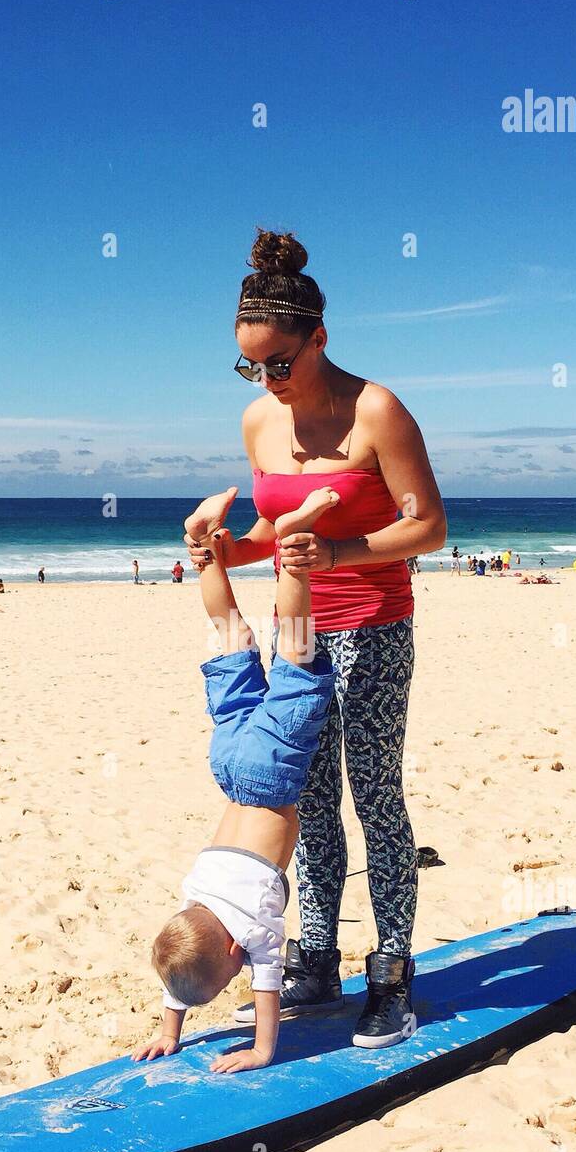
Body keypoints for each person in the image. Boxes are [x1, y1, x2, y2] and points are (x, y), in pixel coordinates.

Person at [181, 227, 446, 1046]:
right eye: (252, 366)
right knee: (311, 806)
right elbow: (268, 530)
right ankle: (319, 955)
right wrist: (223, 550)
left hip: (372, 625)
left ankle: (393, 971)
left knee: (374, 799)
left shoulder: (377, 410)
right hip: (300, 631)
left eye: (280, 362)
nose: (268, 379)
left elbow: (429, 527)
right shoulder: (260, 419)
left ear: (318, 336)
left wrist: (338, 551)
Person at [135, 484, 339, 1073]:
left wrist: (263, 1050)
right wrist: (169, 1028)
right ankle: (204, 545)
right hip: (228, 765)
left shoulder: (249, 928)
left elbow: (268, 986)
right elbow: (181, 965)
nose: (239, 973)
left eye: (232, 973)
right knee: (233, 639)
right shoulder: (194, 899)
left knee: (297, 649)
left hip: (273, 775)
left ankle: (294, 543)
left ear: (233, 949)